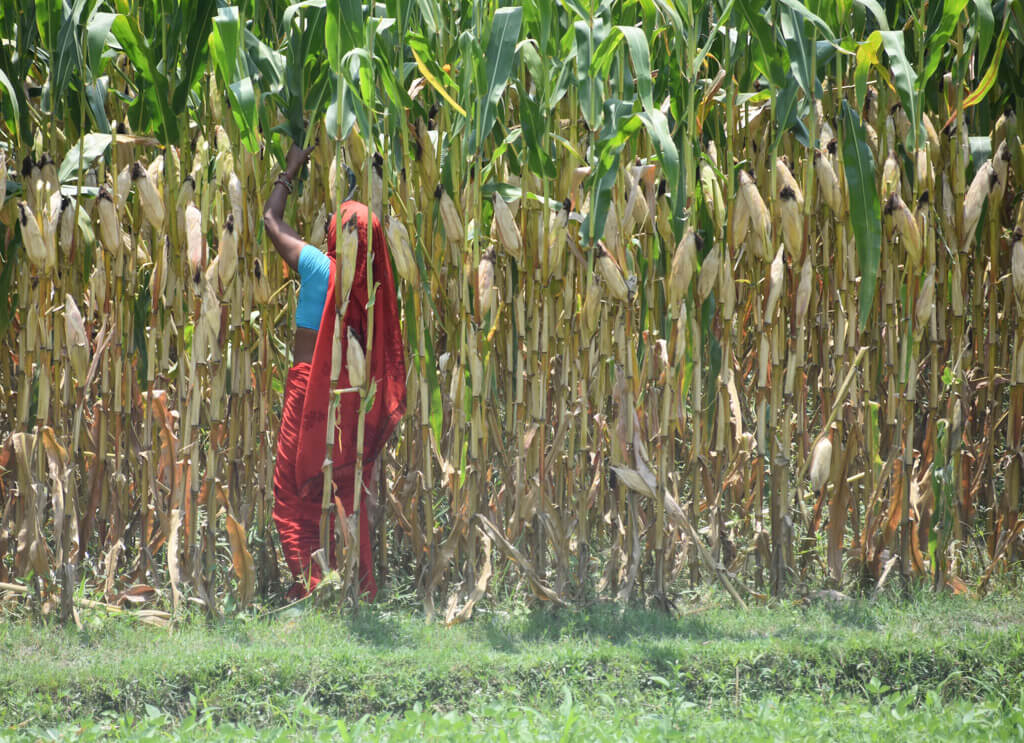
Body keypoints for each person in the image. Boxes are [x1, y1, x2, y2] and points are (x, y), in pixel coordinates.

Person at [263, 142, 406, 601]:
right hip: (349, 404)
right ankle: (356, 587)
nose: (327, 223)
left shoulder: (318, 269)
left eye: (334, 221)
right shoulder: (374, 286)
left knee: (292, 492)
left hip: (309, 394)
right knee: (347, 494)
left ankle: (311, 585)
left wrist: (289, 170)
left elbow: (271, 221)